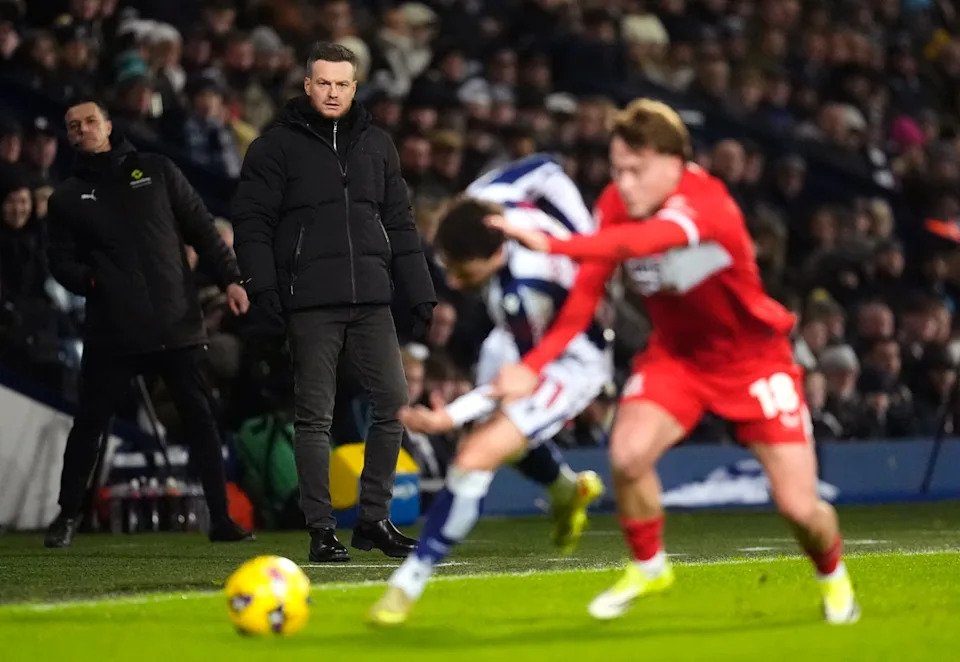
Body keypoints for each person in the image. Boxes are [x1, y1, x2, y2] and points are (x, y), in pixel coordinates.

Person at [483, 99, 860, 625]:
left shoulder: (708, 204)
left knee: (798, 508)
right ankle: (650, 564)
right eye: (617, 169)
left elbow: (644, 240)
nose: (624, 183)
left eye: (636, 171)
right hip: (678, 357)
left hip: (754, 361)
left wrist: (554, 242)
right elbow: (586, 295)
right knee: (628, 454)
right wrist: (536, 364)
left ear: (674, 162)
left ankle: (832, 574)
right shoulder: (616, 204)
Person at [368, 155, 611, 625]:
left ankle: (408, 583)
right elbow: (548, 167)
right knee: (490, 437)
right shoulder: (485, 202)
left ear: (495, 254)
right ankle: (565, 490)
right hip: (520, 341)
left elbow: (519, 379)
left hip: (569, 360)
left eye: (463, 272)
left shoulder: (525, 291)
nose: (455, 281)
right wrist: (584, 233)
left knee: (475, 453)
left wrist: (447, 417)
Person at [232, 42, 436, 562]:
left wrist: (420, 291)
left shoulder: (377, 145)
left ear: (355, 86)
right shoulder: (274, 147)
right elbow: (251, 225)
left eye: (342, 83)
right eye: (323, 82)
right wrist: (263, 288)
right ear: (306, 84)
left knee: (392, 404)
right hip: (310, 301)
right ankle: (321, 528)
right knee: (314, 418)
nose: (333, 92)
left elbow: (400, 223)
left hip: (372, 298)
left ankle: (373, 520)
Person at [43, 99, 253, 548]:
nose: (82, 130)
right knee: (90, 425)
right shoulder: (65, 198)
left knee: (201, 420)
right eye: (73, 126)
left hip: (174, 322)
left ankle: (221, 518)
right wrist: (92, 280)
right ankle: (67, 517)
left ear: (109, 124)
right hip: (112, 330)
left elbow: (202, 229)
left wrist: (232, 279)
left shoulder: (157, 169)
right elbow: (59, 262)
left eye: (90, 122)